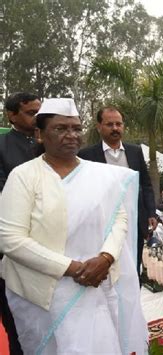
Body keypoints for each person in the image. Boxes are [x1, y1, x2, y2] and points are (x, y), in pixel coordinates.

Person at [0, 98, 148, 354]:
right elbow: (10, 238)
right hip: (46, 293)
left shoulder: (100, 174)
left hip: (98, 283)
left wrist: (105, 258)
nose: (71, 135)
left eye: (76, 128)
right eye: (60, 128)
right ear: (39, 134)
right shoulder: (24, 176)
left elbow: (119, 218)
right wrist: (73, 268)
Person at [78, 106, 157, 276]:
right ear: (99, 127)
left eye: (118, 124)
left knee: (134, 268)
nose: (115, 128)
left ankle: (133, 301)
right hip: (103, 222)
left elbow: (146, 183)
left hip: (134, 221)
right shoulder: (86, 155)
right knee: (108, 269)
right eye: (109, 124)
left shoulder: (135, 151)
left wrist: (151, 212)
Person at [0, 92, 41, 355]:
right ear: (11, 115)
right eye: (30, 112)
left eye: (40, 111)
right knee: (17, 321)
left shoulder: (51, 142)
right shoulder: (2, 146)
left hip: (52, 242)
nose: (37, 117)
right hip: (16, 242)